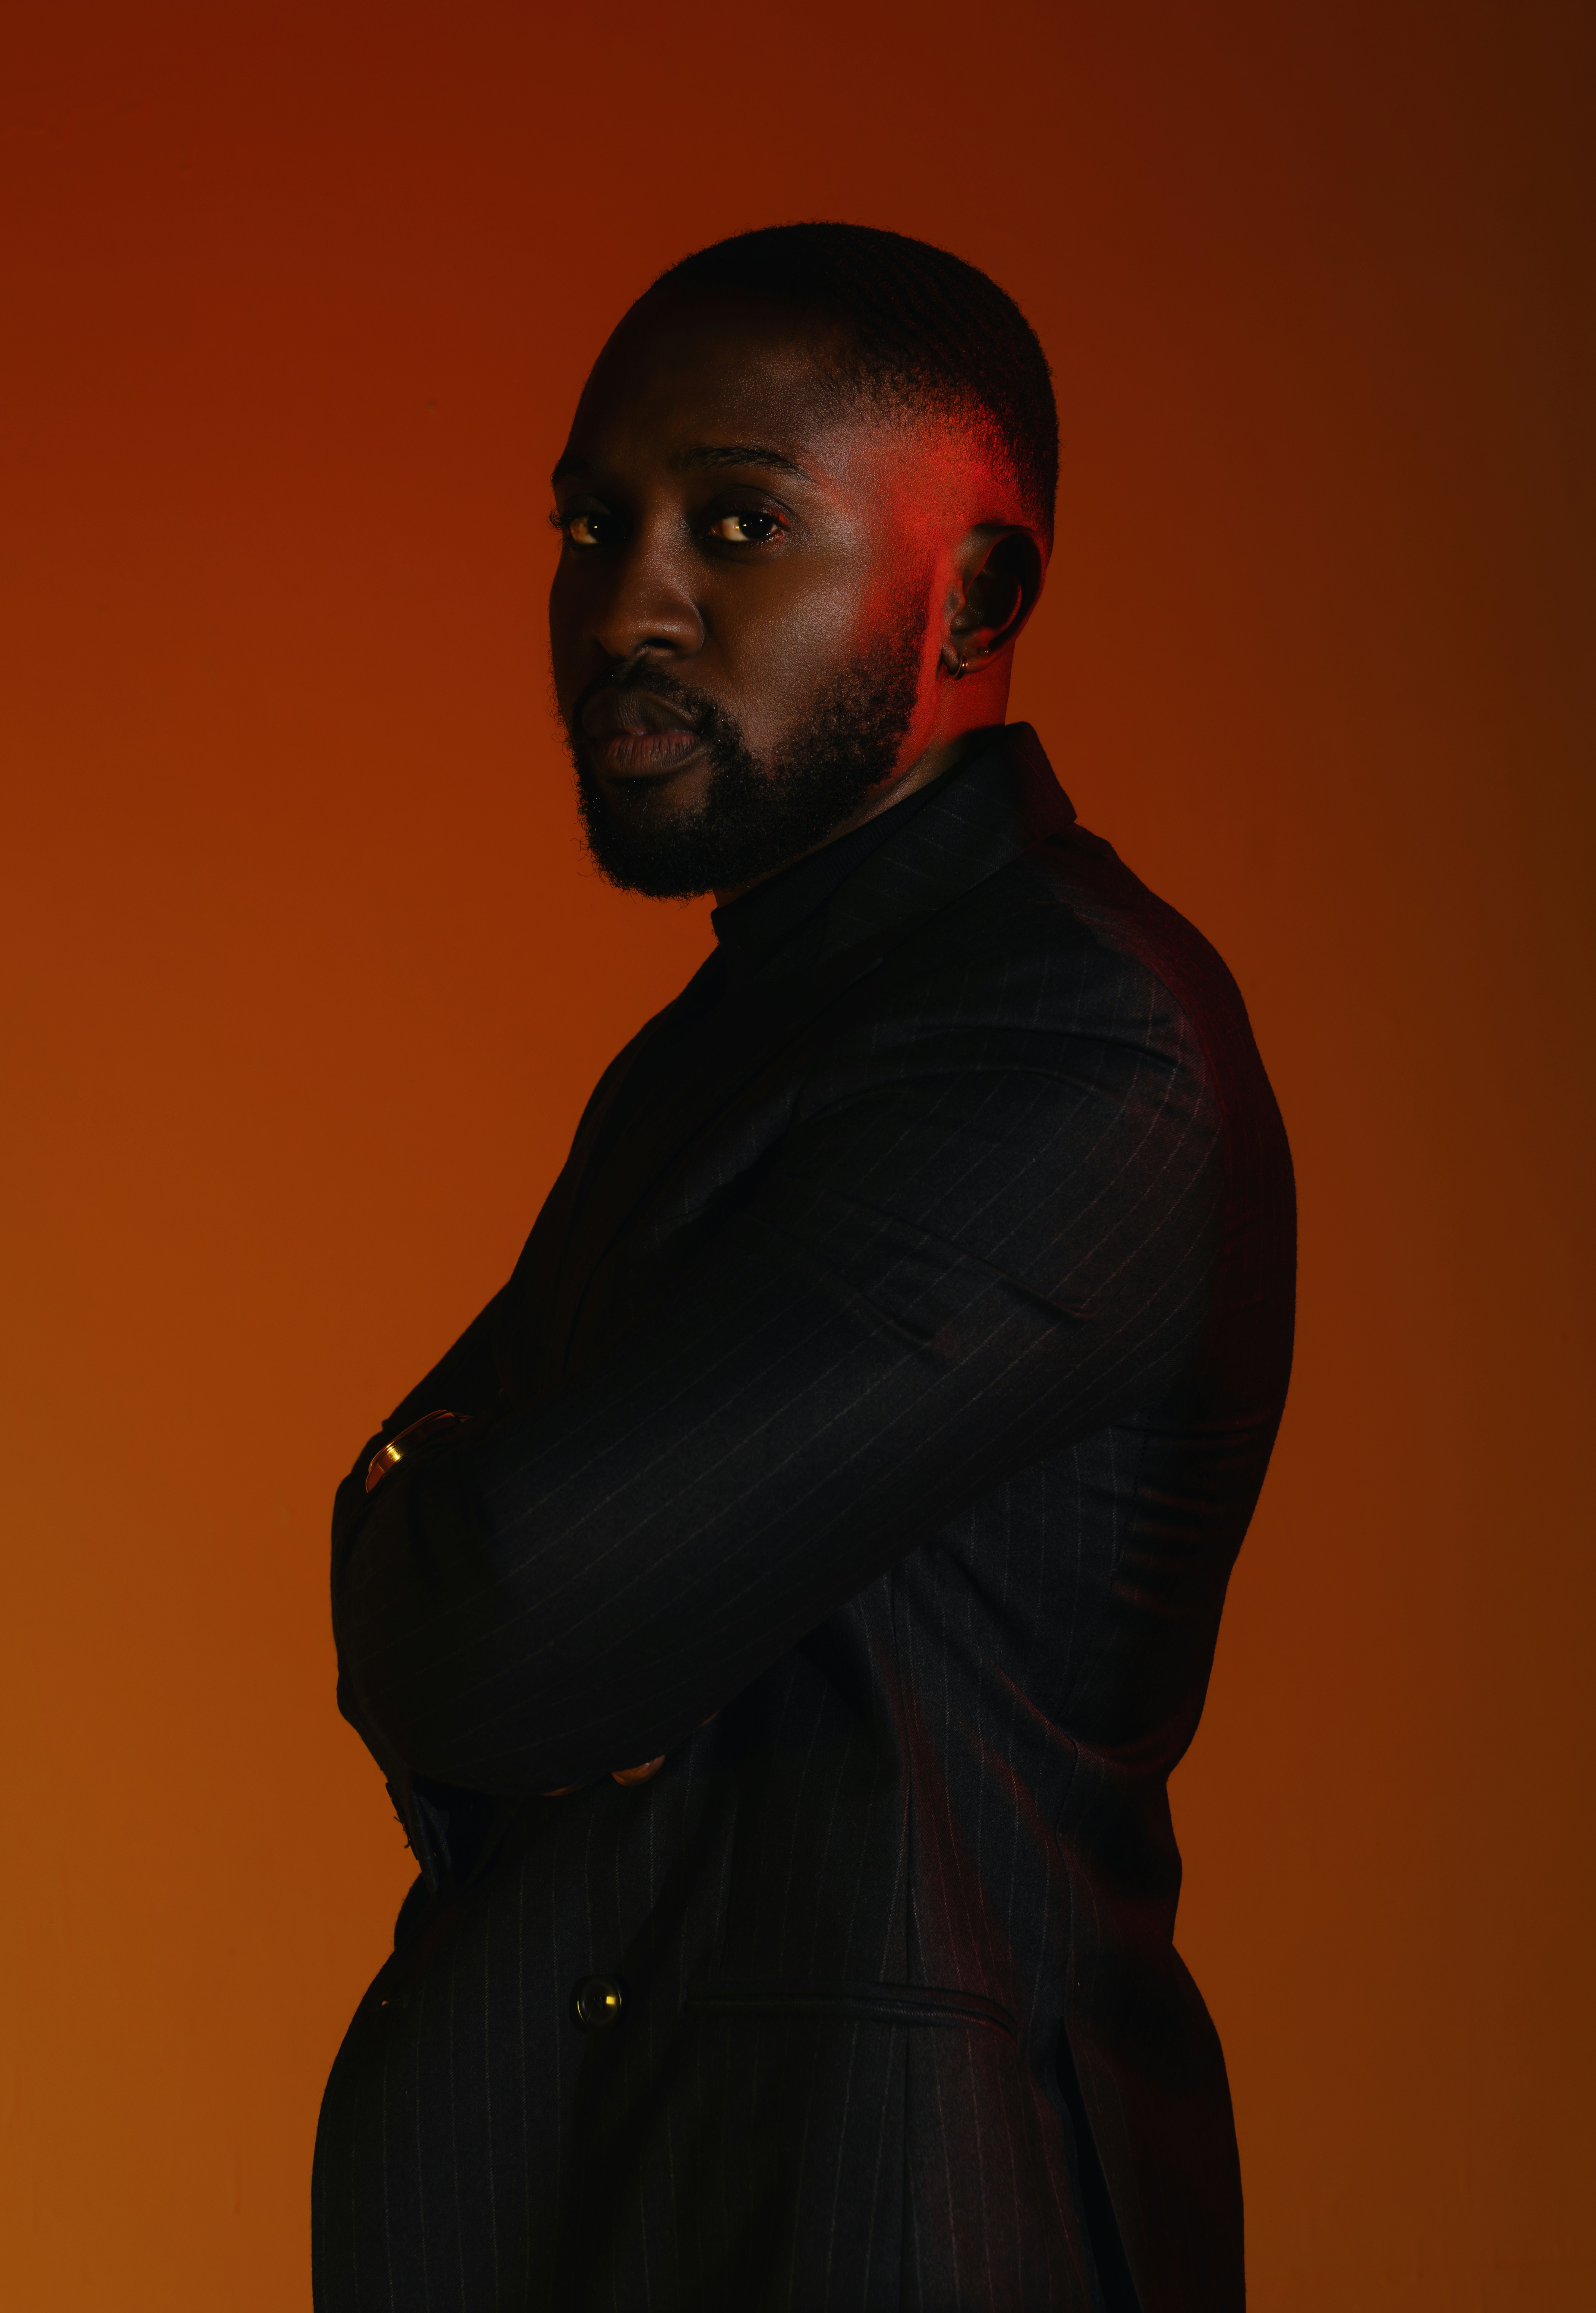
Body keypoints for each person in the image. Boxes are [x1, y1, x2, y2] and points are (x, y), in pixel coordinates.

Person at [312, 223, 1295, 2313]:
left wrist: (461, 1552)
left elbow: (496, 1621)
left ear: (983, 591)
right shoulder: (770, 1023)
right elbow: (476, 1572)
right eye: (595, 522)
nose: (628, 602)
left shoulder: (1066, 1038)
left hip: (875, 2227)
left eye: (741, 521)